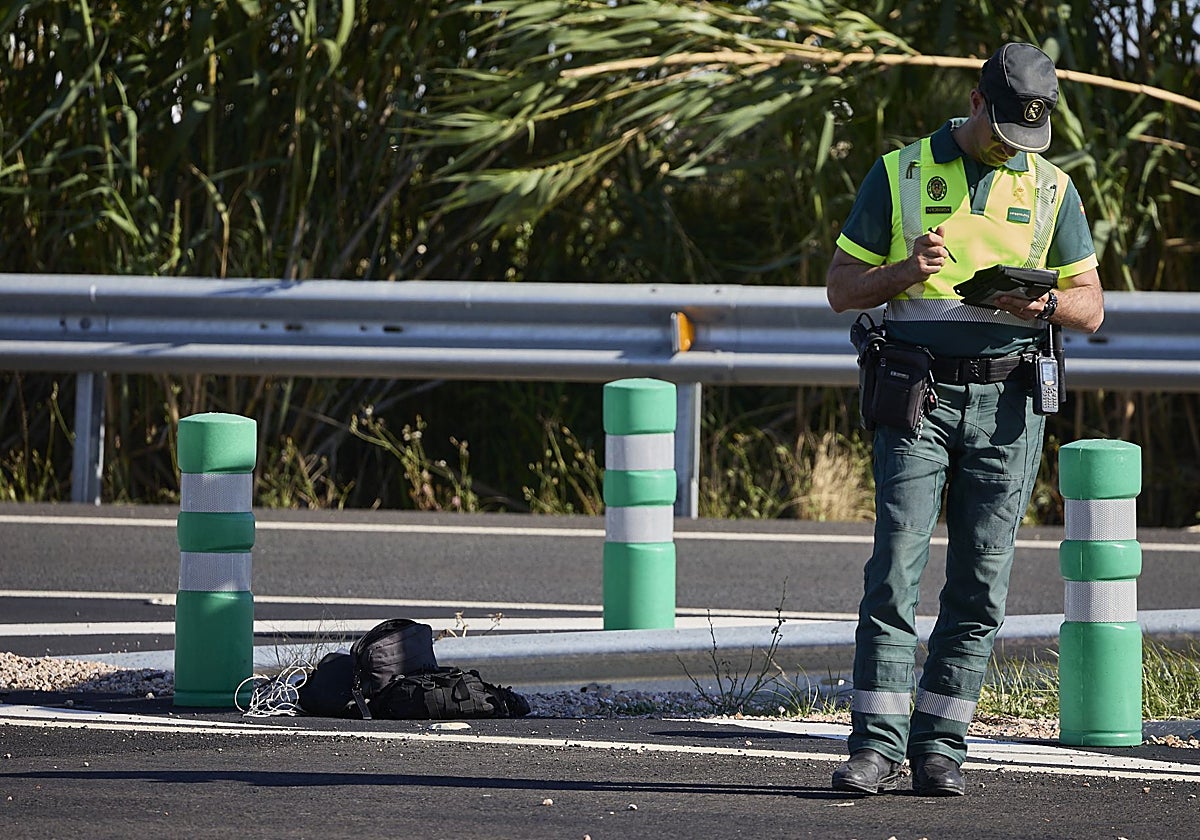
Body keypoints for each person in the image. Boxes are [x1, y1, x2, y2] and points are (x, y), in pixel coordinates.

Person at [825, 42, 1104, 797]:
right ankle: (874, 747)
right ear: (976, 102)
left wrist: (1042, 304)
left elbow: (1092, 304)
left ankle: (940, 747)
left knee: (981, 585)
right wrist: (904, 271)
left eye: (1028, 135)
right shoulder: (900, 171)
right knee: (894, 572)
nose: (1013, 147)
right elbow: (842, 288)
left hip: (1009, 402)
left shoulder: (1053, 188)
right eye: (1004, 129)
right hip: (917, 395)